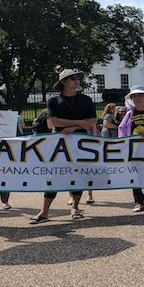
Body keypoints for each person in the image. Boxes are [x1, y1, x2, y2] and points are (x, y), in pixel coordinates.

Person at [29, 69, 98, 224]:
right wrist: (79, 122)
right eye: (73, 78)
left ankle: (75, 207)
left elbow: (92, 120)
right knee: (54, 175)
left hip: (80, 141)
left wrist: (74, 127)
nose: (77, 81)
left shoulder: (86, 99)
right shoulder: (54, 100)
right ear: (64, 82)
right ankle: (44, 212)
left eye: (78, 78)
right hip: (60, 141)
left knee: (78, 175)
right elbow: (53, 122)